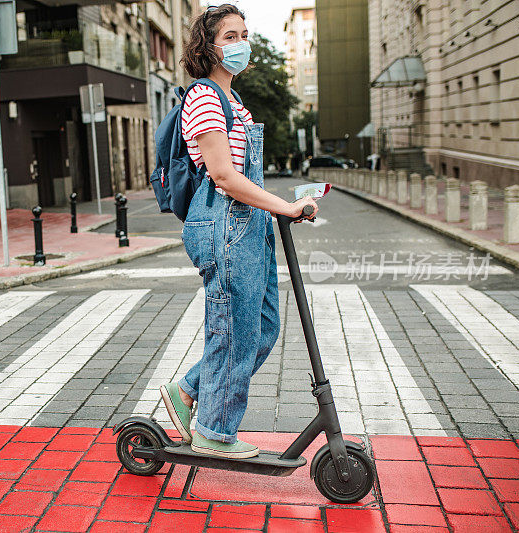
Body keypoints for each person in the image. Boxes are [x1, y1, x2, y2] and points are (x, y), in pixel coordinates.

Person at [159, 4, 319, 459]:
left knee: (261, 328)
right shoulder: (205, 98)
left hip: (248, 226)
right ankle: (213, 428)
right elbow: (226, 177)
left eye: (244, 34)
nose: (240, 43)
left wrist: (283, 208)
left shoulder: (236, 103)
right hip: (224, 224)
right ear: (207, 47)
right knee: (234, 330)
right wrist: (284, 207)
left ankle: (188, 390)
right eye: (230, 36)